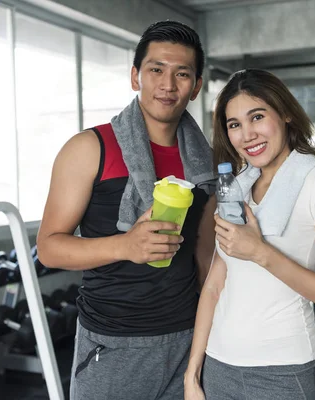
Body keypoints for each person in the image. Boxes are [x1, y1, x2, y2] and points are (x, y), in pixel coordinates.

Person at [36, 20, 217, 400]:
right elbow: (50, 248)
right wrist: (125, 246)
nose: (168, 85)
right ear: (136, 77)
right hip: (113, 345)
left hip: (188, 343)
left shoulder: (205, 163)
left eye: (182, 73)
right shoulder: (88, 149)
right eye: (156, 70)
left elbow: (204, 250)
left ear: (196, 86)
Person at [184, 69, 315, 400]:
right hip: (218, 367)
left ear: (286, 113)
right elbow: (214, 287)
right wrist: (192, 374)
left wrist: (259, 251)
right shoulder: (237, 189)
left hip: (283, 372)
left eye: (257, 117)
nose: (247, 134)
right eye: (234, 124)